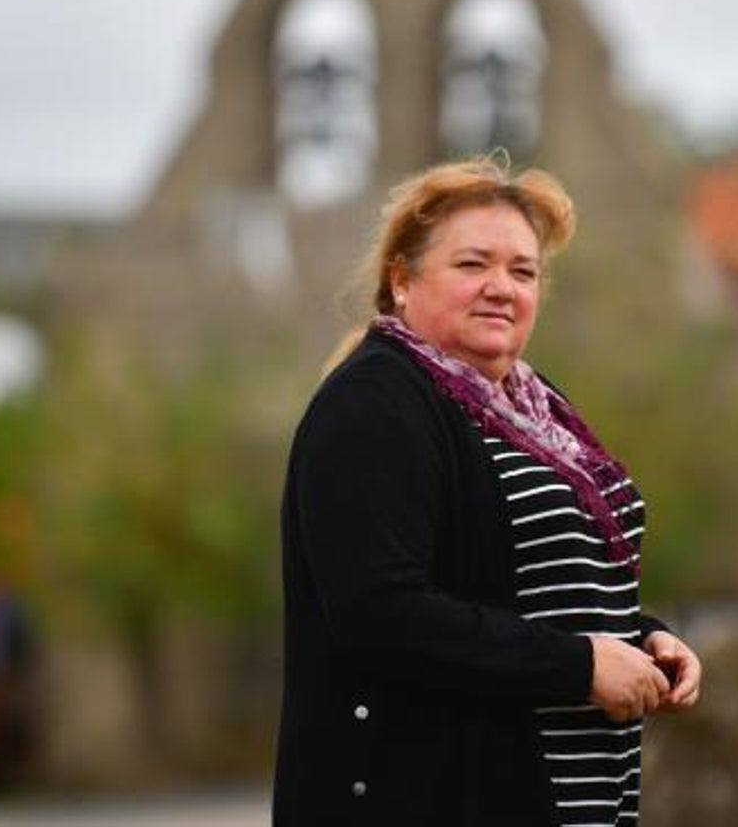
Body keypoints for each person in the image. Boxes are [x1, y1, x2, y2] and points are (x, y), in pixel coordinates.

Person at [273, 154, 701, 826]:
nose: (502, 287)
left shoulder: (534, 406)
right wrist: (579, 665)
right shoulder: (374, 403)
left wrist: (640, 640)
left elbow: (512, 586)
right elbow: (382, 615)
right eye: (473, 264)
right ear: (402, 281)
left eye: (523, 271)